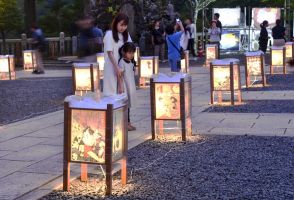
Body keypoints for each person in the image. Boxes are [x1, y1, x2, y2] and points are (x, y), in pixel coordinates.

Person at [103, 13, 132, 96]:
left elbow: (130, 50)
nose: (123, 27)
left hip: (123, 66)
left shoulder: (126, 35)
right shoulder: (109, 34)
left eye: (125, 25)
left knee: (124, 91)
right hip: (112, 65)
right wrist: (117, 68)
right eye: (121, 25)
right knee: (111, 92)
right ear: (116, 23)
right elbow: (109, 53)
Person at [118, 42, 137, 131]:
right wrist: (121, 86)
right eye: (129, 53)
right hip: (126, 86)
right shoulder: (122, 62)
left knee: (128, 106)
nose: (131, 55)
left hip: (130, 86)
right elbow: (120, 75)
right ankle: (125, 123)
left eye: (133, 53)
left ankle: (128, 123)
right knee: (126, 106)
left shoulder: (131, 62)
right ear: (124, 52)